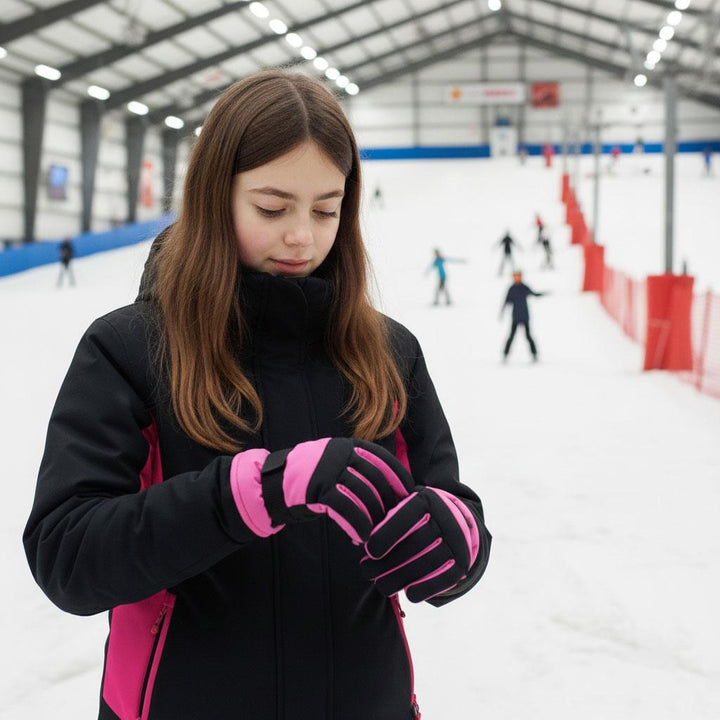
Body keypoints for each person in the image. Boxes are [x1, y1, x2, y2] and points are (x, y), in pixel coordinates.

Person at [23, 70, 491, 720]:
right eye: (272, 208)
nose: (302, 235)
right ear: (215, 198)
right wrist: (249, 494)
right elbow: (68, 557)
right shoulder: (129, 349)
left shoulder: (389, 352)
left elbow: (451, 506)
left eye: (326, 209)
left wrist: (455, 541)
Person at [501, 270, 544, 362]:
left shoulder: (524, 287)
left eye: (518, 276)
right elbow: (506, 301)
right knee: (511, 336)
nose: (517, 278)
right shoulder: (512, 289)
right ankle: (505, 354)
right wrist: (502, 312)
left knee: (528, 336)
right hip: (515, 317)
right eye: (515, 276)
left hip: (524, 316)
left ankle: (534, 354)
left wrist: (542, 294)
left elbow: (534, 294)